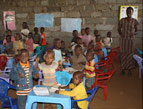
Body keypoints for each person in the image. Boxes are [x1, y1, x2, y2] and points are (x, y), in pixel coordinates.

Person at [118, 7, 138, 75]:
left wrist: (133, 33)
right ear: (126, 12)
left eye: (130, 11)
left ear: (132, 12)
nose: (129, 13)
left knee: (130, 54)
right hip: (123, 41)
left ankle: (129, 70)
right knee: (123, 54)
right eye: (128, 11)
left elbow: (136, 30)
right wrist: (121, 34)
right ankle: (123, 69)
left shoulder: (135, 21)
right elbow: (118, 29)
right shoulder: (122, 20)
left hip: (131, 41)